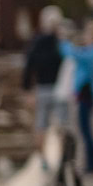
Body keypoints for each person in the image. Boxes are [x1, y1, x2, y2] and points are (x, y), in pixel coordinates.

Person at [21, 13, 66, 159]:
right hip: (60, 88)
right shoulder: (61, 44)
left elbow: (29, 66)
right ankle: (62, 159)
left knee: (41, 125)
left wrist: (27, 89)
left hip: (43, 88)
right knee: (61, 124)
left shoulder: (37, 42)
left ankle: (43, 159)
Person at [68, 24, 93, 174]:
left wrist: (65, 42)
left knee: (86, 130)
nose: (86, 37)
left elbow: (74, 54)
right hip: (86, 94)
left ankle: (92, 164)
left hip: (87, 95)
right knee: (86, 129)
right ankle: (92, 163)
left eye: (89, 35)